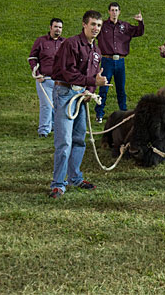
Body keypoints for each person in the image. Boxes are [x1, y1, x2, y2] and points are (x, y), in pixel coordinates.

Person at [49, 10, 108, 198]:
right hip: (65, 92)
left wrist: (91, 91)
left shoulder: (97, 51)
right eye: (93, 24)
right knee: (64, 141)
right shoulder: (71, 44)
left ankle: (75, 177)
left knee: (79, 139)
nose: (96, 29)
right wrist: (91, 82)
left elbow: (94, 76)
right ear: (84, 24)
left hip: (81, 95)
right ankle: (58, 184)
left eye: (99, 25)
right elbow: (68, 73)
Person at [94, 2, 144, 123]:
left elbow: (139, 32)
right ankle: (99, 114)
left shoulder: (124, 26)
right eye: (112, 10)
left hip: (120, 61)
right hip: (107, 60)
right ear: (108, 12)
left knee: (121, 89)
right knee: (103, 88)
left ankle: (124, 113)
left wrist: (140, 22)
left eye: (116, 10)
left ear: (119, 12)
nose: (114, 12)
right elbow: (91, 33)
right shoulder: (103, 26)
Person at [28, 18, 65, 138]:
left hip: (60, 80)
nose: (58, 29)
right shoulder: (41, 41)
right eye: (55, 27)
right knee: (47, 105)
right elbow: (32, 58)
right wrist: (36, 73)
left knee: (58, 105)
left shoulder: (65, 43)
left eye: (60, 27)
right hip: (44, 80)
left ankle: (54, 126)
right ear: (50, 28)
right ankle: (43, 130)